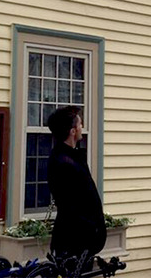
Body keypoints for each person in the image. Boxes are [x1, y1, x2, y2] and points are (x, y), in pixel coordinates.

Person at [47, 105, 106, 271]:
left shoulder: (71, 157)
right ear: (72, 131)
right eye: (80, 124)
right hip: (74, 242)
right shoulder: (64, 163)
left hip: (81, 241)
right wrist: (92, 229)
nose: (82, 127)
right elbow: (72, 206)